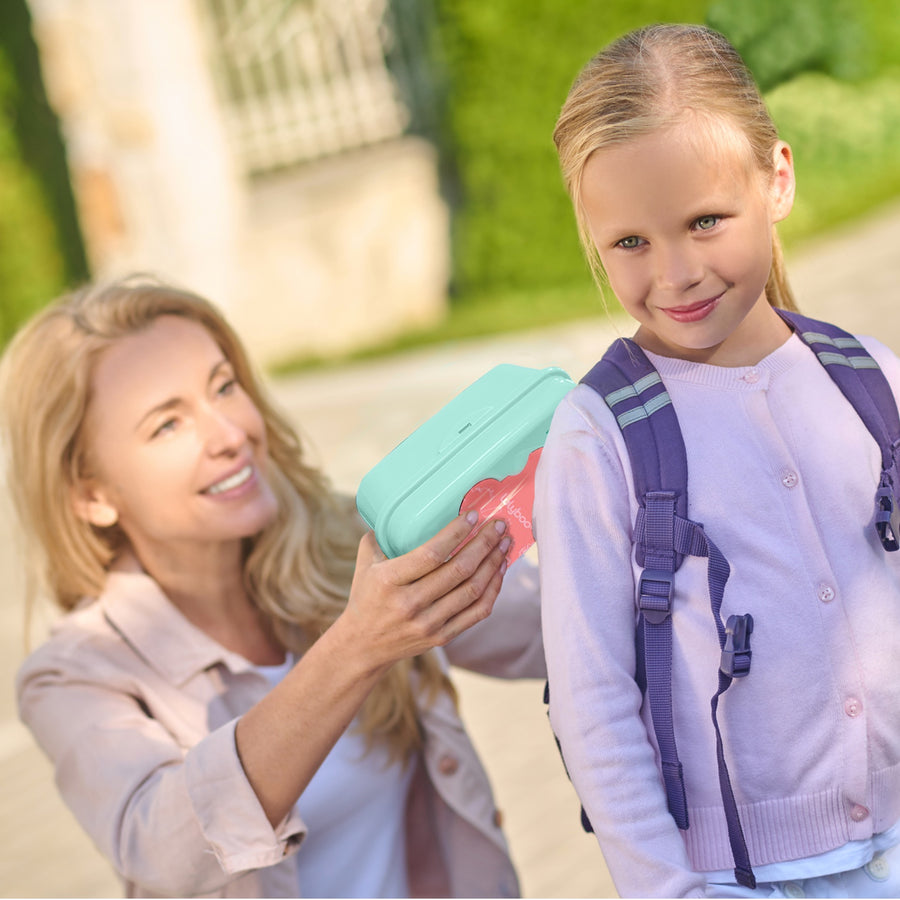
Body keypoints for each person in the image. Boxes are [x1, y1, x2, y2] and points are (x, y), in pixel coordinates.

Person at [0, 276, 545, 898]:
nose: (230, 435)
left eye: (224, 387)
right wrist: (357, 648)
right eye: (167, 425)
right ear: (91, 495)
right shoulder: (76, 676)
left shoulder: (346, 545)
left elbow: (553, 630)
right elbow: (167, 855)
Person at [535, 23, 900, 899]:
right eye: (630, 243)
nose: (677, 273)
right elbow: (595, 707)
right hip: (743, 881)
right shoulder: (598, 437)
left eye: (705, 222)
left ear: (776, 179)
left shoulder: (872, 378)